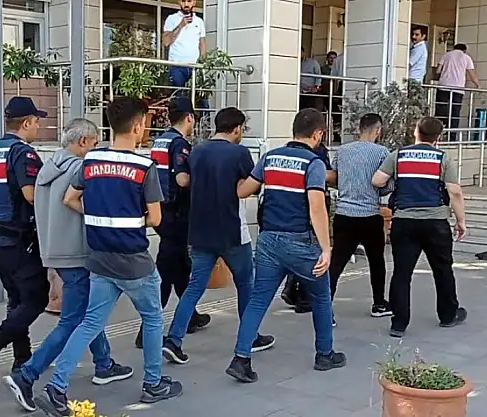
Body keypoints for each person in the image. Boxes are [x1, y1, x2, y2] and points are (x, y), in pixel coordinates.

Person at [35, 98, 182, 417]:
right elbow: (156, 218)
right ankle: (153, 383)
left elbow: (70, 198)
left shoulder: (91, 161)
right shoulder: (143, 167)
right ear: (138, 126)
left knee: (90, 322)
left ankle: (56, 388)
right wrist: (129, 220)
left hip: (99, 258)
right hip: (134, 261)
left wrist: (99, 218)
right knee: (153, 318)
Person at [3, 118, 133, 413]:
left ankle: (104, 363)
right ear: (83, 141)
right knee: (73, 320)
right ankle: (27, 375)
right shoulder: (80, 169)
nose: (96, 148)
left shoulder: (48, 166)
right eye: (95, 143)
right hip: (78, 253)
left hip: (55, 251)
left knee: (89, 313)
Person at [231, 108, 346, 382]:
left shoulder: (270, 157)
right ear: (318, 134)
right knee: (320, 297)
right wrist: (326, 248)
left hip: (269, 240)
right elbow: (316, 207)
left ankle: (241, 358)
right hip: (301, 243)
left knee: (259, 299)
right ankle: (325, 354)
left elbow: (243, 191)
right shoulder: (313, 163)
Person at [161, 107, 275, 366]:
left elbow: (186, 181)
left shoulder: (197, 151)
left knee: (194, 286)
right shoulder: (239, 153)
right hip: (232, 230)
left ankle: (174, 339)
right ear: (237, 128)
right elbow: (249, 185)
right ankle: (250, 336)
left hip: (200, 230)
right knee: (245, 283)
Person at [0, 96, 51, 384]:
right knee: (37, 297)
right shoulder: (23, 154)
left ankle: (22, 358)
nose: (38, 127)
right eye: (36, 122)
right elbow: (32, 195)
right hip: (17, 237)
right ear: (26, 123)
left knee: (17, 298)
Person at [372, 116, 467, 338]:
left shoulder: (398, 155)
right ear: (438, 137)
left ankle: (399, 324)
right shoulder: (443, 158)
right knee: (443, 270)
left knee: (402, 273)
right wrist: (460, 221)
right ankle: (448, 315)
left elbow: (377, 181)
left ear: (416, 131)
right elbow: (454, 192)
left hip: (404, 222)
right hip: (436, 223)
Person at [135, 97, 210, 349]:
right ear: (189, 117)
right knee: (166, 272)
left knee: (180, 267)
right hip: (176, 214)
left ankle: (190, 316)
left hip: (161, 208)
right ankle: (146, 330)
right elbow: (182, 180)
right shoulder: (180, 144)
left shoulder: (161, 140)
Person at [325, 113, 392, 320]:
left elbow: (335, 178)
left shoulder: (342, 151)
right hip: (369, 215)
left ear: (359, 128)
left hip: (344, 214)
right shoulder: (382, 153)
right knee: (376, 261)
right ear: (378, 130)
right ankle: (379, 304)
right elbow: (385, 186)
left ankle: (325, 309)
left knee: (337, 262)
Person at [280, 140, 333, 316]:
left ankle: (290, 288)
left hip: (288, 208)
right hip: (309, 204)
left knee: (294, 250)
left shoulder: (285, 151)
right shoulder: (317, 153)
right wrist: (326, 248)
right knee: (310, 253)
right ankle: (304, 298)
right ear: (317, 134)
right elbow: (325, 177)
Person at [435, 43, 480, 137]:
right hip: (458, 88)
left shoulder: (446, 55)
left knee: (441, 110)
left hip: (443, 86)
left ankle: (438, 134)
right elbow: (472, 74)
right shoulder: (466, 58)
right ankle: (452, 136)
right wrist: (478, 85)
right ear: (464, 50)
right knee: (455, 112)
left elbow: (438, 70)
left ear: (454, 48)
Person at [162, 0, 206, 89]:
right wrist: (181, 25)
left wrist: (202, 65)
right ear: (179, 2)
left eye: (189, 1)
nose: (186, 4)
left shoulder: (199, 21)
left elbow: (203, 44)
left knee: (197, 96)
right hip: (177, 66)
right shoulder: (172, 18)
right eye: (183, 1)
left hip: (194, 67)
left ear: (194, 2)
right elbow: (166, 42)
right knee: (178, 95)